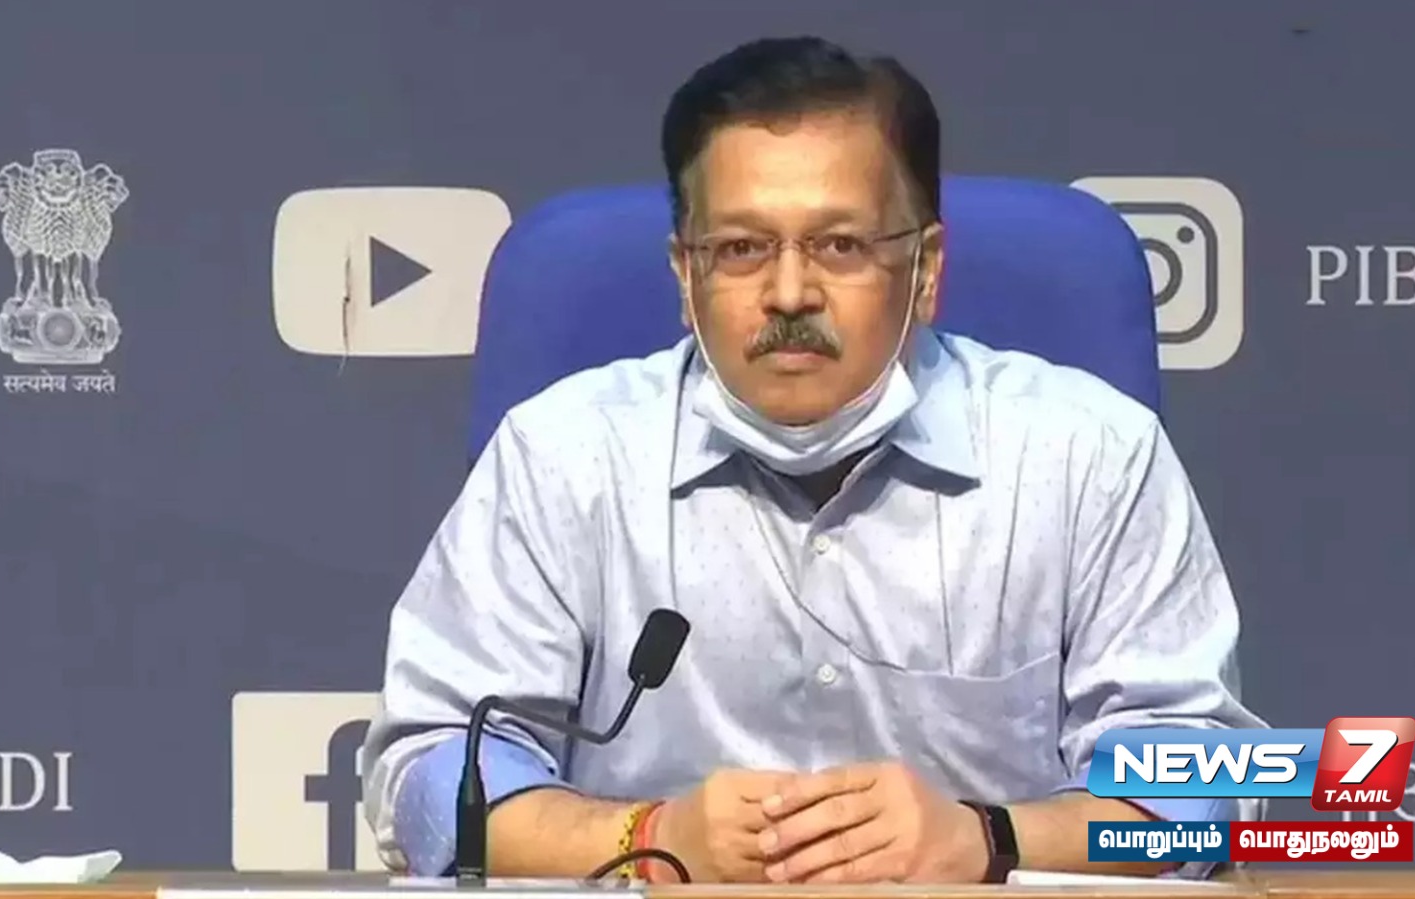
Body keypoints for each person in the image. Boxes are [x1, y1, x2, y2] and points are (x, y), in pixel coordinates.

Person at [362, 35, 1264, 884]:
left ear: (926, 270)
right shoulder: (562, 456)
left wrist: (990, 838)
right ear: (684, 275)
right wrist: (649, 837)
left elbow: (1208, 789)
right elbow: (432, 772)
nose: (790, 292)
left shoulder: (1090, 455)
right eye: (741, 249)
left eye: (840, 245)